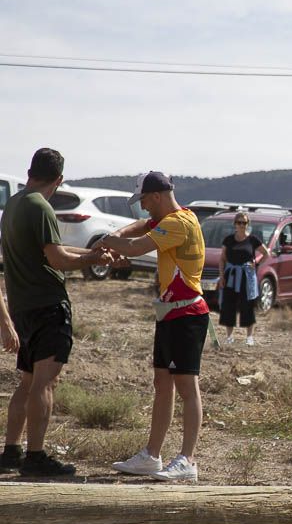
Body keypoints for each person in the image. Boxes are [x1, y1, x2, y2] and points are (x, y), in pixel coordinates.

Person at [1, 148, 114, 476]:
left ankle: (11, 451)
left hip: (23, 307)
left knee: (27, 381)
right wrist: (92, 261)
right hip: (48, 305)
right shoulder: (41, 207)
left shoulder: (14, 205)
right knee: (45, 383)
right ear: (60, 180)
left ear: (30, 171)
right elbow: (57, 259)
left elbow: (54, 250)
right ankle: (35, 456)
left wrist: (92, 252)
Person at [100, 172, 209, 482]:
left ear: (157, 196)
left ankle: (188, 459)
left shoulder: (177, 223)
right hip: (170, 314)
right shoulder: (173, 216)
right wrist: (116, 238)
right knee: (163, 384)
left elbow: (135, 245)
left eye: (144, 200)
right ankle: (152, 455)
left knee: (187, 388)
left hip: (187, 314)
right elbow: (136, 229)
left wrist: (108, 241)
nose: (143, 207)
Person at [218, 211, 266, 345]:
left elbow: (266, 253)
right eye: (239, 222)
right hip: (231, 276)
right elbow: (222, 259)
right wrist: (222, 276)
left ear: (247, 224)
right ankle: (229, 337)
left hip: (246, 276)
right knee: (229, 305)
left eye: (244, 223)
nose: (241, 225)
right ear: (234, 224)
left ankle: (249, 337)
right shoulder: (228, 240)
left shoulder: (253, 240)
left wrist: (256, 262)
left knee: (248, 305)